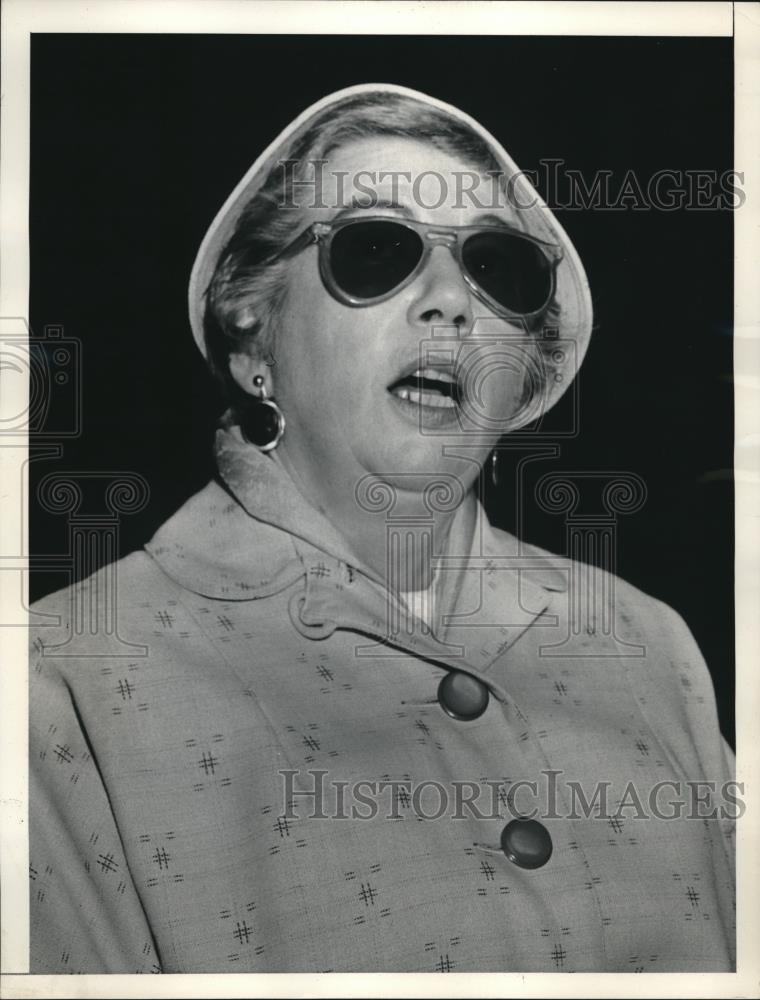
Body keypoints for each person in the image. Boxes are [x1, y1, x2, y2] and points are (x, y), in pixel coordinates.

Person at [29, 83, 735, 973]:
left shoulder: (649, 645)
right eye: (375, 250)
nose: (451, 300)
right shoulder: (63, 686)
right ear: (254, 341)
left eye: (498, 268)